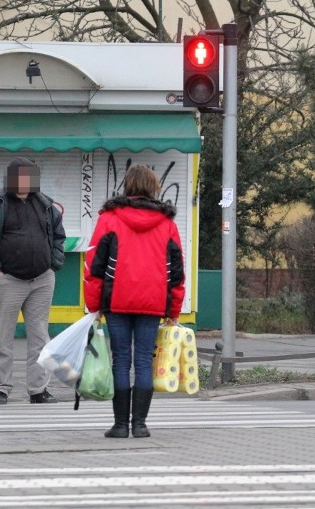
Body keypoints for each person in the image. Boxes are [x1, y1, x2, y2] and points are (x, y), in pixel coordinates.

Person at [84, 164, 186, 439]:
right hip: (152, 302)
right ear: (154, 187)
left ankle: (120, 426)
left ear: (127, 186)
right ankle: (139, 425)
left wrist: (93, 305)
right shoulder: (167, 224)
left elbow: (94, 265)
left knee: (120, 361)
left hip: (116, 300)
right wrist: (174, 309)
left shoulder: (109, 218)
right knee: (143, 362)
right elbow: (176, 271)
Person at [0, 157, 66, 406]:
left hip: (42, 279)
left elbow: (59, 236)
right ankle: (0, 389)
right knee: (2, 337)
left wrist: (53, 264)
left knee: (40, 337)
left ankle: (38, 390)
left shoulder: (45, 205)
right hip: (8, 280)